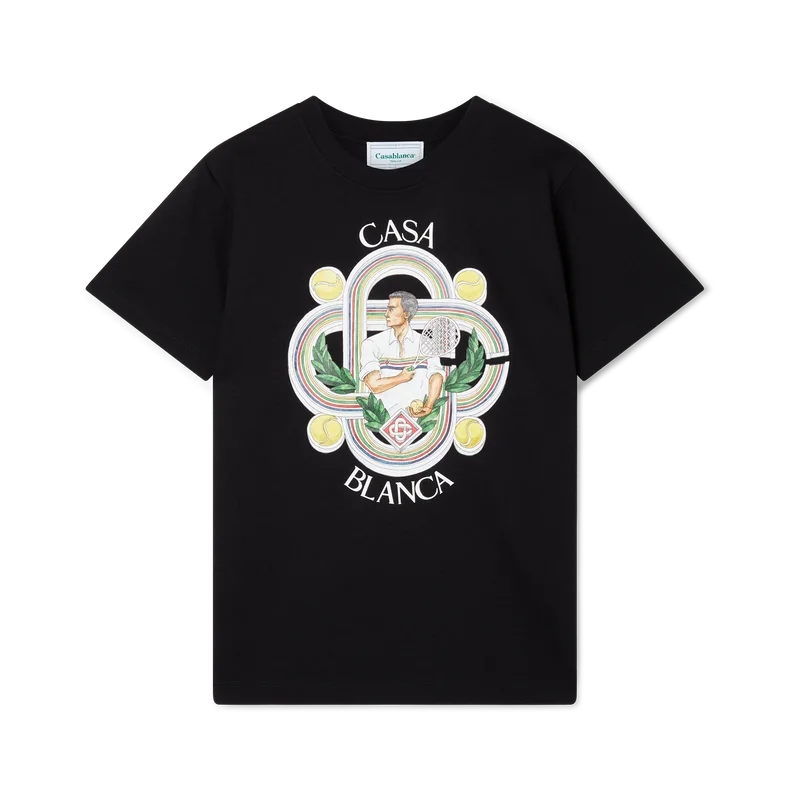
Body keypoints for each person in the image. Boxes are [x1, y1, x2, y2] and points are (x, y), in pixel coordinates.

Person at [359, 291, 446, 418]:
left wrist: (428, 405)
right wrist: (401, 378)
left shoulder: (427, 343)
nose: (386, 314)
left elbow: (436, 376)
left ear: (406, 313)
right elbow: (374, 385)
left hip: (417, 418)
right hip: (384, 420)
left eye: (391, 309)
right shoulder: (372, 343)